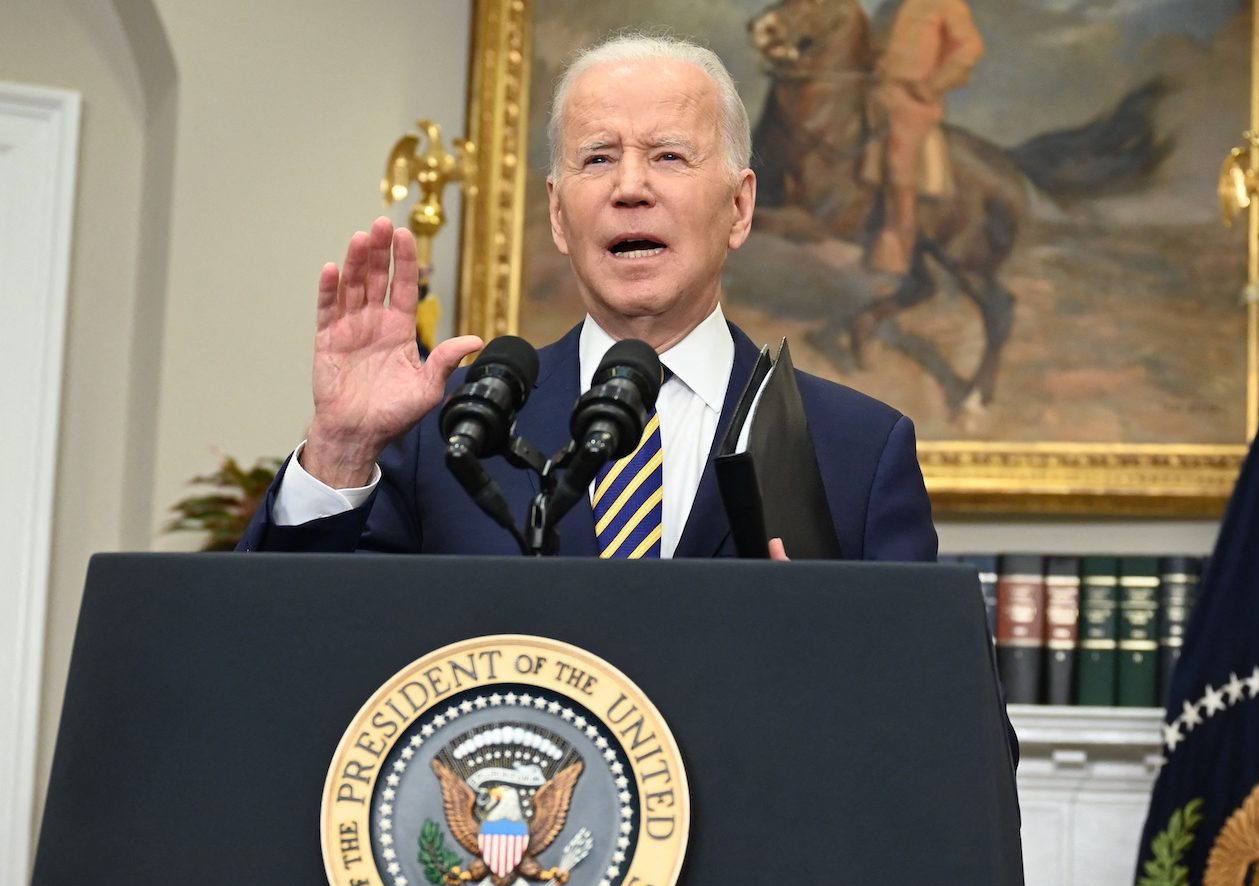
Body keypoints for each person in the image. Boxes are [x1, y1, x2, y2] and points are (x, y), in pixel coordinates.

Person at [237, 33, 937, 561]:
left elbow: (948, 732)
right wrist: (341, 449)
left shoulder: (858, 449)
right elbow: (288, 656)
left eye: (668, 155)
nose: (630, 187)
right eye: (598, 158)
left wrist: (832, 653)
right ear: (557, 214)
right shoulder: (446, 434)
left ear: (740, 208)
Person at [865, 0, 985, 275]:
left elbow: (970, 48)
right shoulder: (891, 6)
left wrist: (933, 85)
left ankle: (897, 250)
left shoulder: (947, 4)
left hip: (912, 100)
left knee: (899, 160)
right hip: (876, 91)